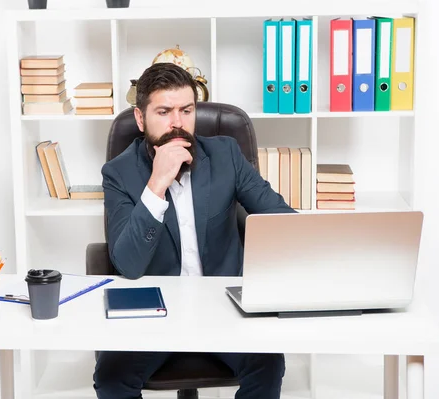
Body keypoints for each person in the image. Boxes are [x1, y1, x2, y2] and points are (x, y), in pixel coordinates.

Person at [93, 62, 296, 399]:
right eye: (164, 111)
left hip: (224, 307)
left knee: (268, 363)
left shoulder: (226, 154)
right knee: (112, 376)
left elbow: (281, 220)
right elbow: (127, 263)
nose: (177, 123)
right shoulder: (119, 172)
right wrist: (157, 183)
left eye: (186, 110)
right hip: (155, 311)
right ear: (141, 119)